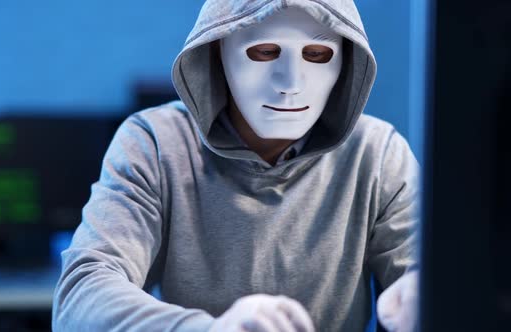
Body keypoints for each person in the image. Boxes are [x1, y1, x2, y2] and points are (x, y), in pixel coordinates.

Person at [52, 1, 420, 331]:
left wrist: (424, 297)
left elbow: (428, 277)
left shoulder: (378, 153)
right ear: (217, 53)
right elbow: (82, 298)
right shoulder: (155, 143)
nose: (291, 83)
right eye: (264, 51)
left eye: (317, 53)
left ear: (345, 62)